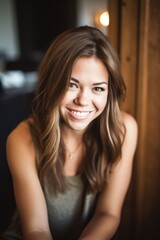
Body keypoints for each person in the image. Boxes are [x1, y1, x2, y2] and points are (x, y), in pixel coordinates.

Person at [2, 25, 138, 240]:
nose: (83, 100)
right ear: (52, 84)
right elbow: (36, 229)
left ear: (109, 92)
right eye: (72, 84)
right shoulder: (21, 139)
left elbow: (108, 214)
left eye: (98, 88)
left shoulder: (124, 129)